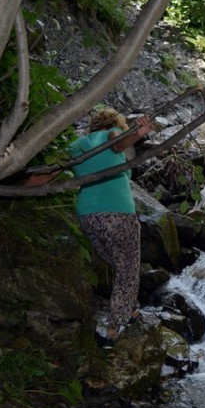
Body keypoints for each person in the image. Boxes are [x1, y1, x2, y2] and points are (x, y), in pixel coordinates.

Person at [25, 107, 154, 342]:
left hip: (89, 217)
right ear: (115, 124)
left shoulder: (76, 146)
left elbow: (46, 176)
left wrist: (13, 189)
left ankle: (131, 308)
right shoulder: (112, 134)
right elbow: (117, 143)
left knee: (120, 264)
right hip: (119, 215)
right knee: (128, 267)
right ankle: (114, 328)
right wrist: (137, 134)